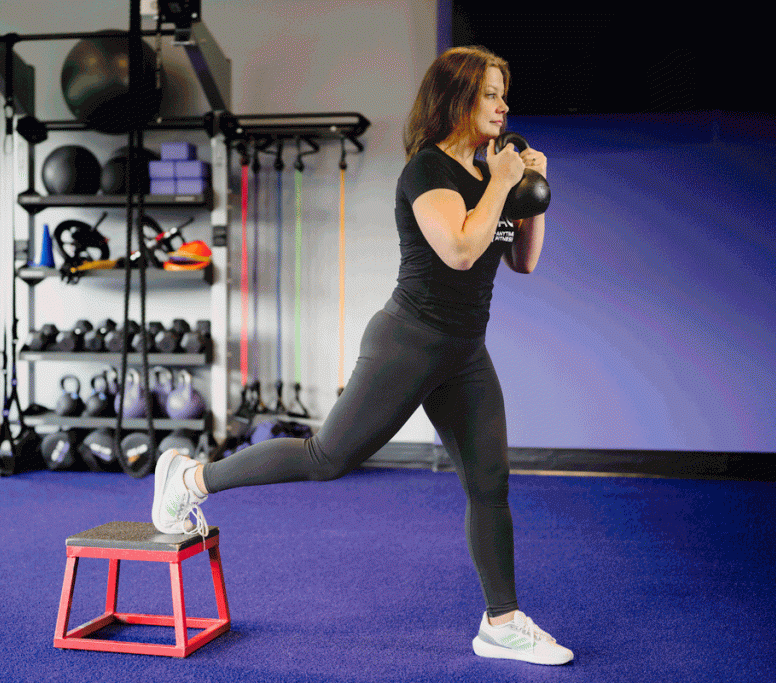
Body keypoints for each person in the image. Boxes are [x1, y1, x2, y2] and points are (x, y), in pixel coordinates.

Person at [151, 46, 573, 666]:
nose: (503, 105)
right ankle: (188, 479)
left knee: (490, 484)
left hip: (463, 350)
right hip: (409, 340)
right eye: (490, 93)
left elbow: (524, 260)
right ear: (457, 98)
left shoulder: (492, 179)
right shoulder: (428, 172)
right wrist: (505, 184)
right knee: (328, 458)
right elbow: (459, 249)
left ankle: (501, 621)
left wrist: (535, 194)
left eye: (503, 94)